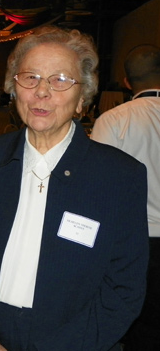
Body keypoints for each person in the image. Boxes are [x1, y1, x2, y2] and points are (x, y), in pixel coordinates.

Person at [0, 25, 149, 351]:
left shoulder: (120, 177)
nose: (42, 92)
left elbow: (124, 289)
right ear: (14, 88)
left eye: (60, 80)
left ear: (82, 96)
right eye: (30, 77)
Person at [91, 44, 160, 351]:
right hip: (138, 240)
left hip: (137, 242)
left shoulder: (114, 120)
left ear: (126, 81)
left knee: (136, 324)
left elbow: (98, 189)